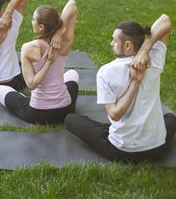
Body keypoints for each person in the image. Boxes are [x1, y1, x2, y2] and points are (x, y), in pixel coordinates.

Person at [65, 14, 176, 163]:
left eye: (114, 40)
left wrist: (135, 83)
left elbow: (115, 114)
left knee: (71, 118)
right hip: (156, 148)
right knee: (170, 118)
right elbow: (165, 20)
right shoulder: (154, 60)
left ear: (128, 45)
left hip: (122, 151)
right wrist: (145, 50)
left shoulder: (106, 72)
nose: (111, 43)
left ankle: (112, 130)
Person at [0, 0, 79, 124]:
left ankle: (26, 100)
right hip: (65, 110)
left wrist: (49, 62)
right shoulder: (64, 42)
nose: (31, 21)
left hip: (39, 113)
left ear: (41, 27)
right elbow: (72, 5)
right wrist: (59, 33)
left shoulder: (28, 48)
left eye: (33, 19)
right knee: (73, 73)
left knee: (0, 89)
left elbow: (31, 84)